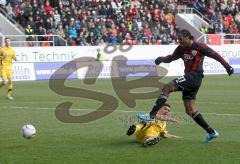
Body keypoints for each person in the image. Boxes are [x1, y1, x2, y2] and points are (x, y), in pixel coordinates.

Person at [143, 29, 234, 144]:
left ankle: (151, 115)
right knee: (190, 110)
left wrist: (227, 66)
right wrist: (161, 59)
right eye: (178, 41)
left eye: (181, 40)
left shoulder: (199, 46)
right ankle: (211, 132)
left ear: (188, 37)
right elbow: (171, 58)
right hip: (191, 79)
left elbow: (215, 55)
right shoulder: (181, 48)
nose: (180, 43)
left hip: (194, 76)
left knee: (167, 88)